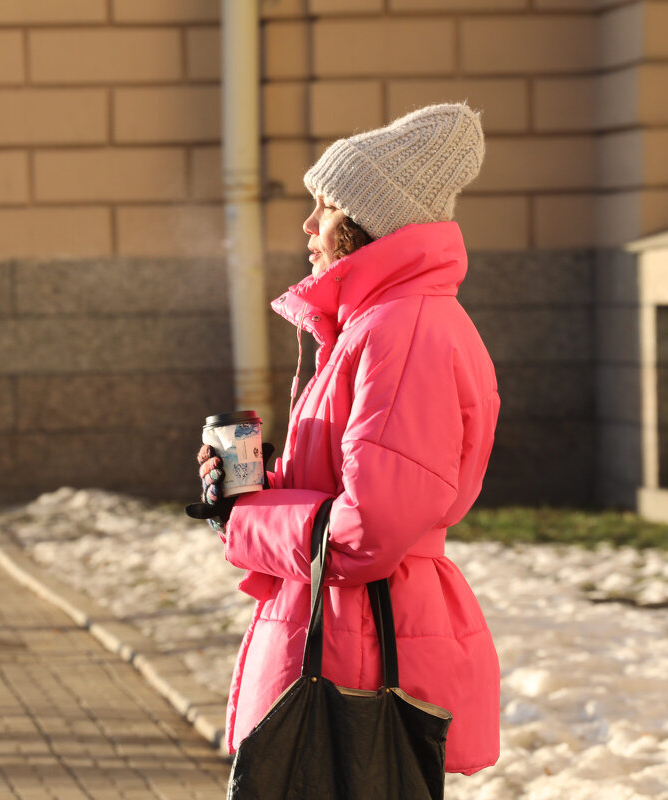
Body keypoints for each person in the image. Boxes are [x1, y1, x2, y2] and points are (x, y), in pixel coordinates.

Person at [188, 103, 501, 776]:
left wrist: (247, 517)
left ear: (369, 223)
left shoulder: (401, 331)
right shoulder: (376, 325)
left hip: (354, 648)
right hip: (340, 633)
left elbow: (366, 532)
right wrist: (251, 490)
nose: (308, 226)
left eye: (325, 207)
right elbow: (351, 500)